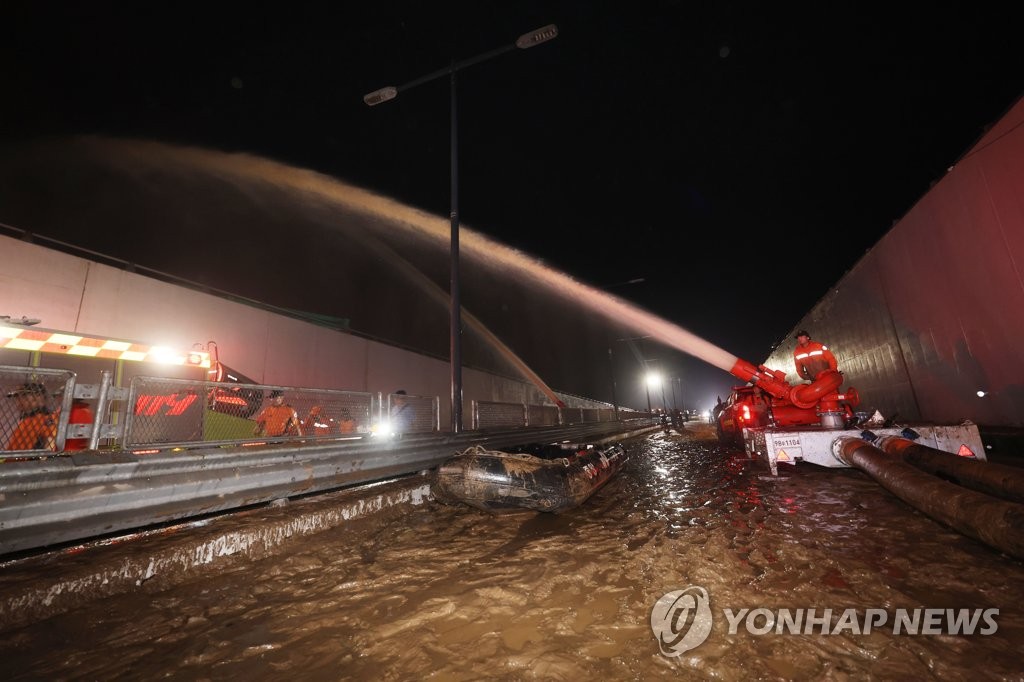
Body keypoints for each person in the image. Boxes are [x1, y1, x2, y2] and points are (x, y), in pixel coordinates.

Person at [5, 382, 58, 451]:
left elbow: (50, 444)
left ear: (39, 397)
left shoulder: (47, 418)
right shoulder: (27, 418)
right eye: (17, 397)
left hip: (31, 460)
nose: (19, 400)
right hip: (15, 460)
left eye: (24, 395)